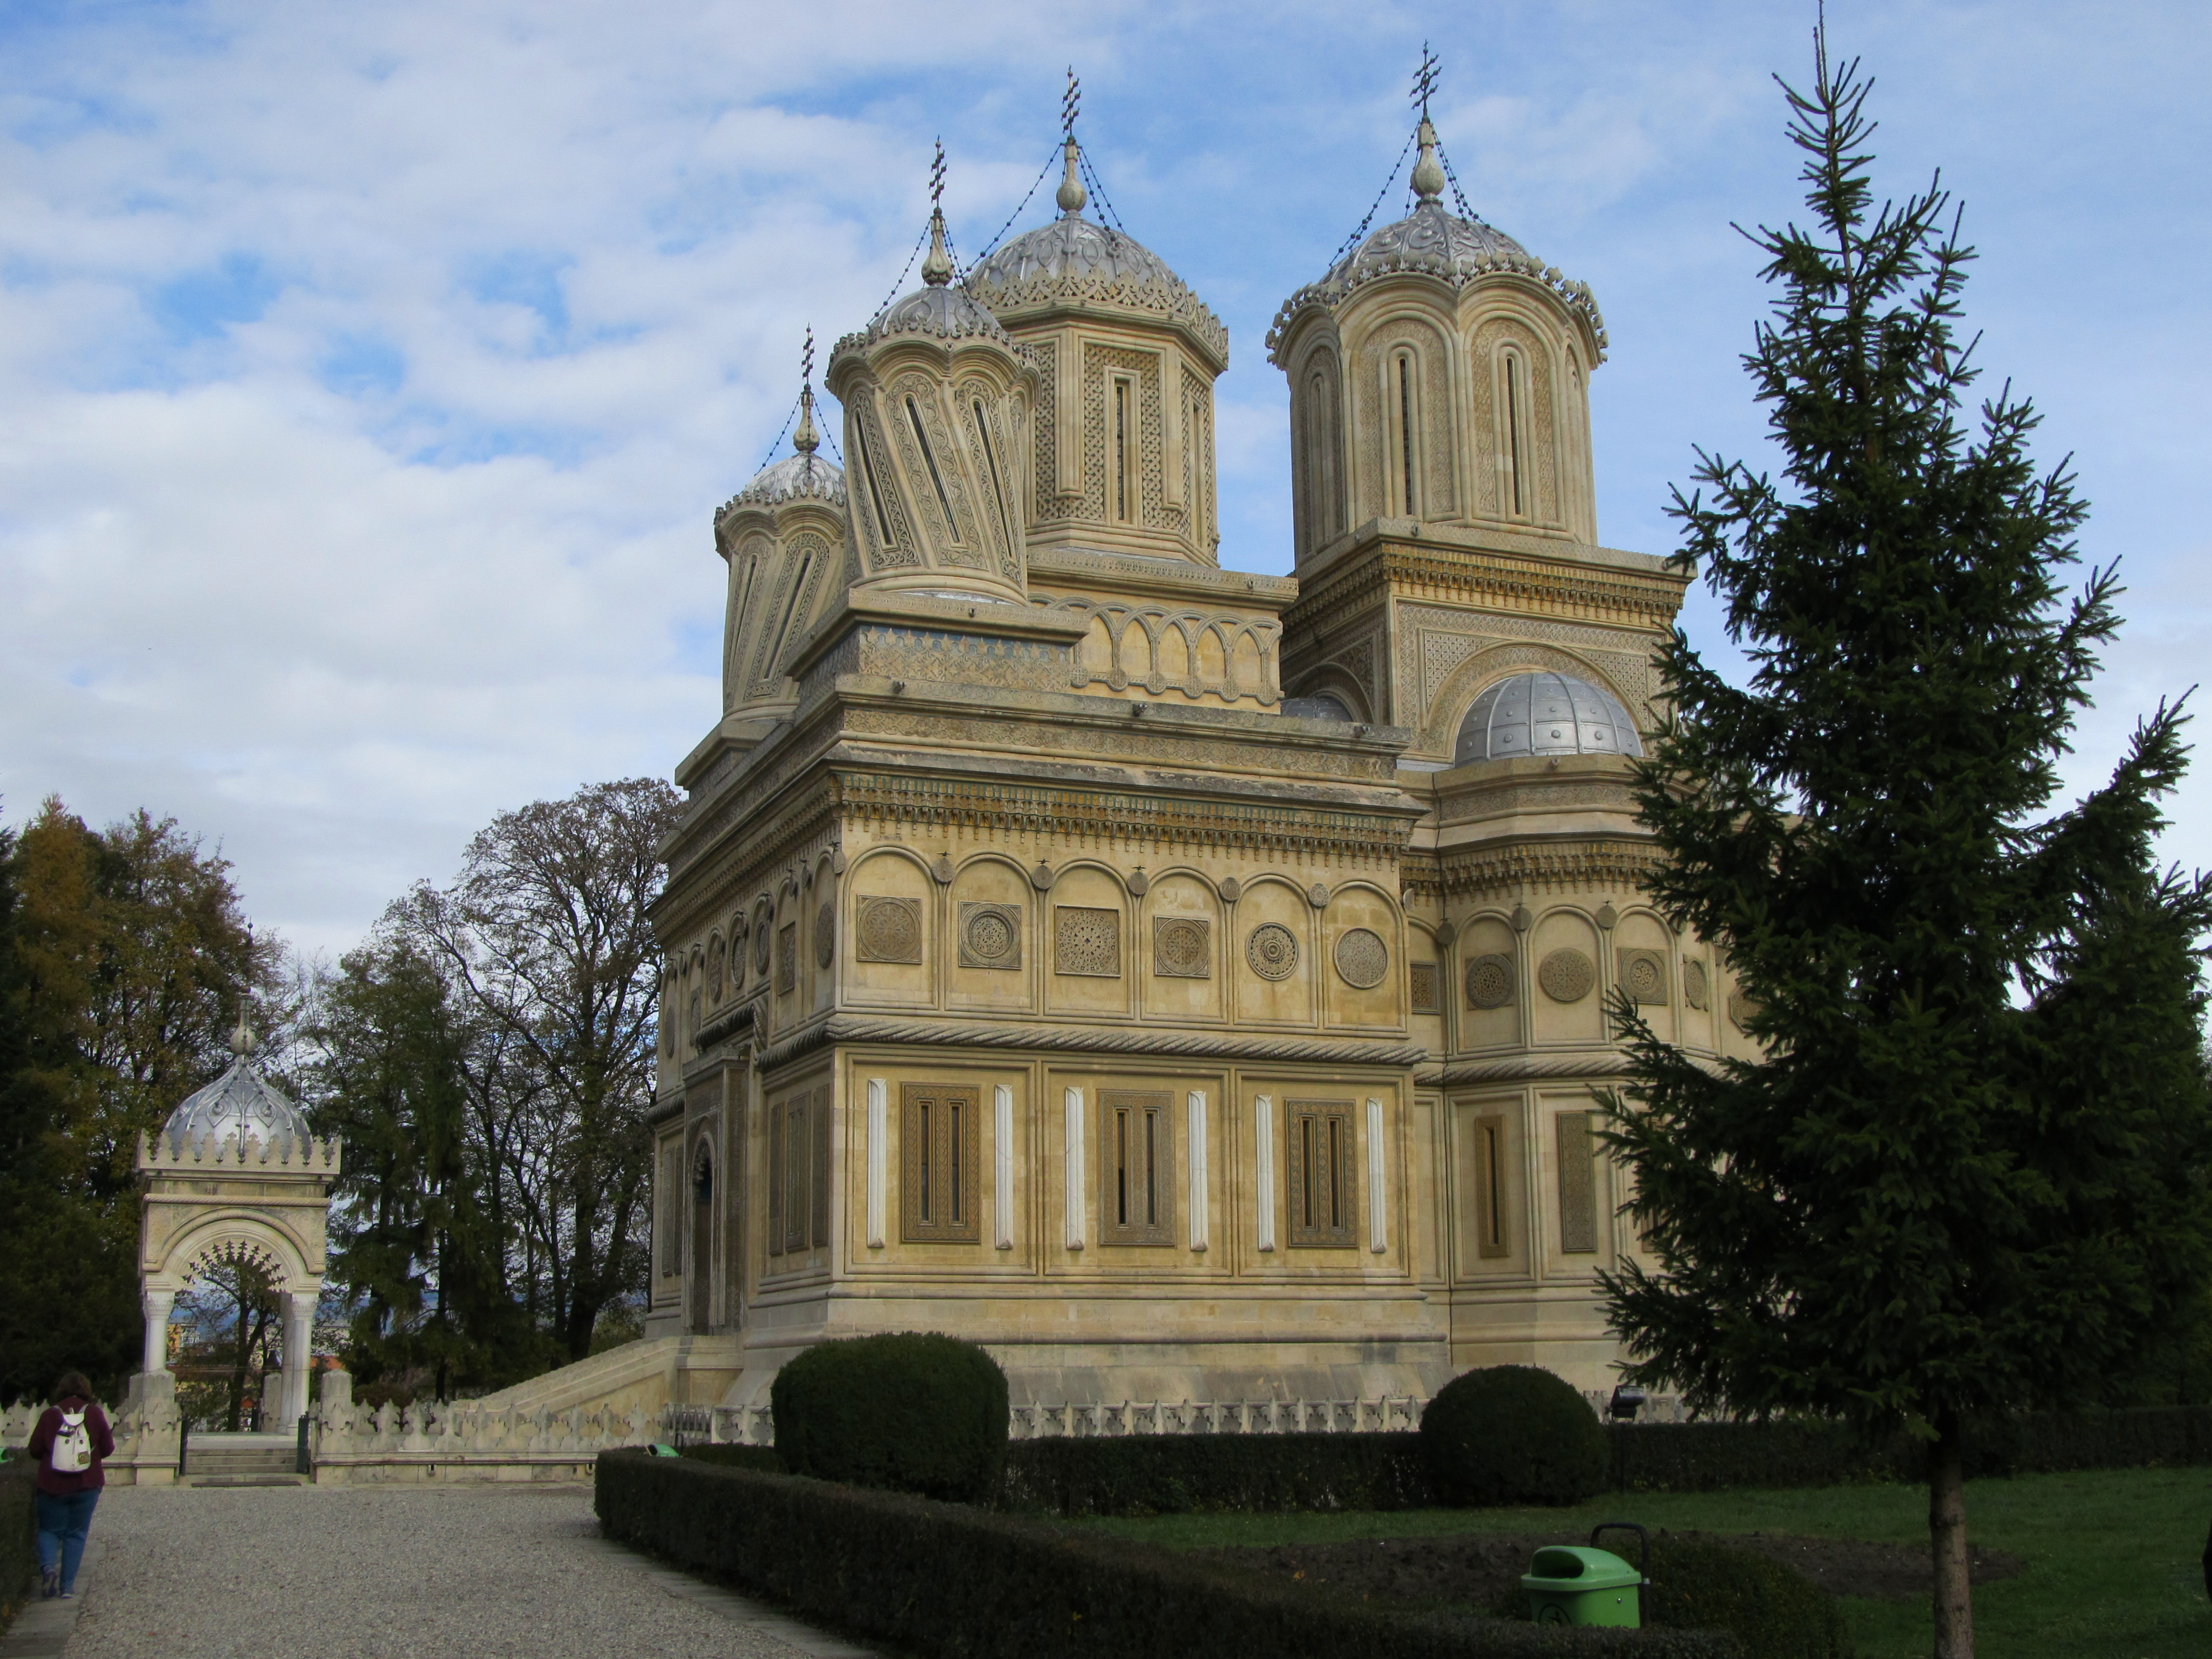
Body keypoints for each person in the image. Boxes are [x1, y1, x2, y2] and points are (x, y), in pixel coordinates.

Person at [25, 1371, 114, 1601]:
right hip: (87, 1484)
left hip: (52, 1484)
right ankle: (67, 1588)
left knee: (49, 1530)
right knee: (76, 1534)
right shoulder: (94, 1413)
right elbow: (108, 1447)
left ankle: (48, 1568)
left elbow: (34, 1449)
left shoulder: (50, 1415)